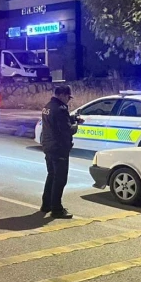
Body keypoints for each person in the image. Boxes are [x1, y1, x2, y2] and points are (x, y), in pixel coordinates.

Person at [40, 85, 82, 219]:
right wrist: (76, 126)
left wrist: (72, 118)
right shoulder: (60, 109)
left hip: (48, 146)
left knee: (51, 175)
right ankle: (57, 209)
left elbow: (57, 122)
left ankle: (46, 204)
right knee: (60, 179)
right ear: (63, 95)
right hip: (59, 148)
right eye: (68, 97)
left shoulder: (48, 106)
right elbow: (66, 130)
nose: (69, 100)